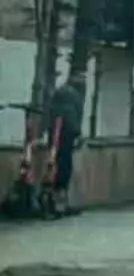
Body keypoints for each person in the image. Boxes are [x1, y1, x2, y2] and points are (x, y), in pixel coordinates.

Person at [47, 74, 85, 214]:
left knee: (55, 161)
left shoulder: (58, 93)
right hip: (68, 132)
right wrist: (78, 134)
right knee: (65, 164)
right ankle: (61, 196)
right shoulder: (76, 96)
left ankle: (54, 196)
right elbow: (78, 115)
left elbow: (50, 111)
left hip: (55, 131)